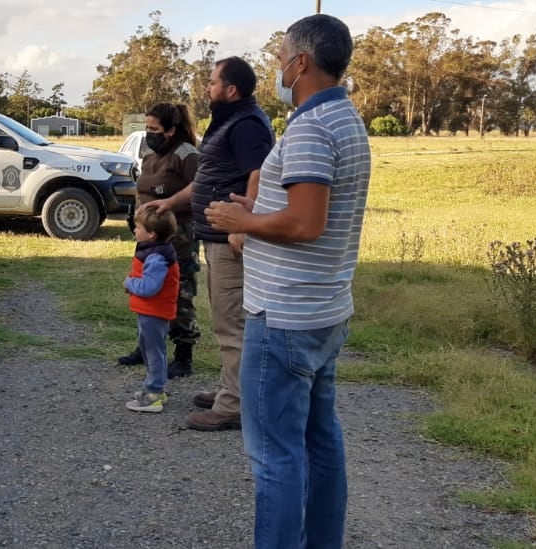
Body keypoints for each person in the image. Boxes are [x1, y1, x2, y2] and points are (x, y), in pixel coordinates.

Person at [204, 14, 370, 548]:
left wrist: (243, 223)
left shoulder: (311, 127)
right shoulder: (344, 118)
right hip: (323, 310)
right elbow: (307, 206)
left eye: (279, 60)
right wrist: (259, 206)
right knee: (320, 442)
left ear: (301, 63)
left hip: (284, 318)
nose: (276, 70)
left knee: (275, 456)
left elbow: (304, 222)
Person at [143, 57, 274, 432]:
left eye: (213, 81)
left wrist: (245, 225)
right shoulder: (229, 120)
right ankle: (228, 390)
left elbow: (259, 173)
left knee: (231, 324)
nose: (207, 87)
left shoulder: (247, 124)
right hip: (215, 236)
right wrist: (170, 203)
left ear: (231, 89)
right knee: (224, 320)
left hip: (229, 239)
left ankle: (233, 405)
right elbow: (208, 179)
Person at [116, 103, 201, 380]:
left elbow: (199, 185)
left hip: (178, 235)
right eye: (147, 128)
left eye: (154, 129)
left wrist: (171, 203)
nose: (148, 133)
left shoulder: (186, 154)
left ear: (171, 130)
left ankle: (183, 355)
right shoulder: (151, 153)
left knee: (180, 292)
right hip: (148, 234)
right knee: (146, 289)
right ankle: (146, 347)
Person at [123, 208, 180, 413]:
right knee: (151, 348)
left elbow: (149, 287)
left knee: (154, 351)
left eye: (138, 227)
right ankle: (156, 389)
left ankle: (154, 393)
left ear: (152, 234)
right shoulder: (155, 250)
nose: (135, 231)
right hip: (151, 311)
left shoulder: (156, 257)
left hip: (154, 312)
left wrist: (130, 283)